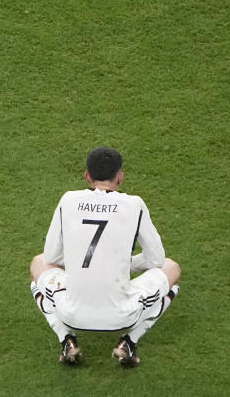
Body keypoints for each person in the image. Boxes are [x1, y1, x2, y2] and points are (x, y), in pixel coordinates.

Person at [29, 146, 181, 368]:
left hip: (70, 315)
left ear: (87, 176)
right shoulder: (134, 204)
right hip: (123, 317)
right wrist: (124, 263)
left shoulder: (68, 200)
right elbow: (156, 259)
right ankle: (129, 342)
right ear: (120, 177)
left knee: (38, 263)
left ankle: (66, 339)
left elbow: (51, 256)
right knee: (171, 268)